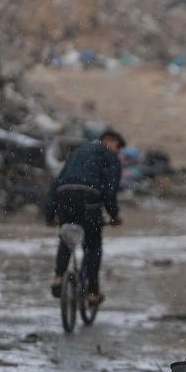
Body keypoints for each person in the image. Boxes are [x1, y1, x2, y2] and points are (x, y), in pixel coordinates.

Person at [44, 130, 124, 306]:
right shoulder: (110, 157)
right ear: (110, 141)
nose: (118, 152)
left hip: (64, 195)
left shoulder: (77, 153)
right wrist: (114, 215)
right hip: (89, 197)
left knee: (66, 236)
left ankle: (58, 277)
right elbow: (110, 191)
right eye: (118, 147)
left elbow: (57, 182)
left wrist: (49, 214)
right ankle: (93, 292)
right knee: (93, 245)